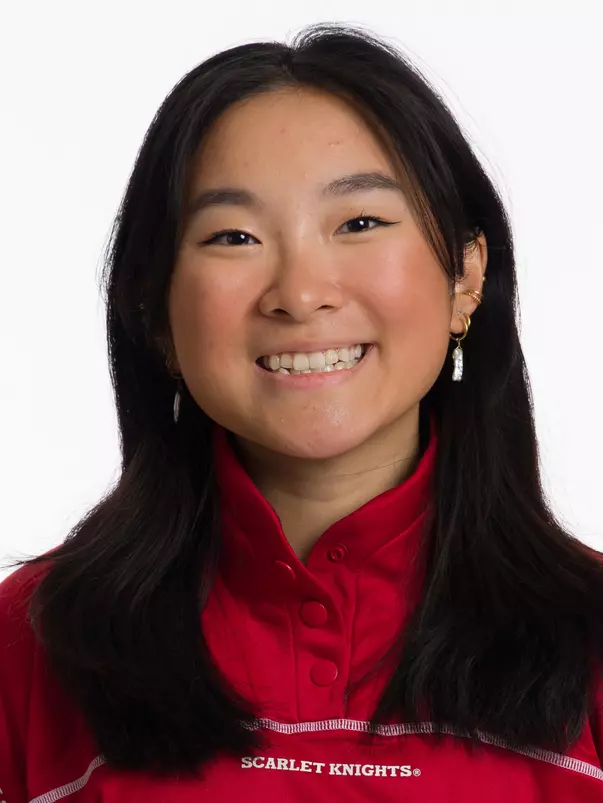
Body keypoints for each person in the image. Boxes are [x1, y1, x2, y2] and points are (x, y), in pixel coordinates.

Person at [1, 21, 603, 803]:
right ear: (156, 315)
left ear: (464, 275)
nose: (300, 292)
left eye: (359, 223)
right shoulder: (34, 642)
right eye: (234, 235)